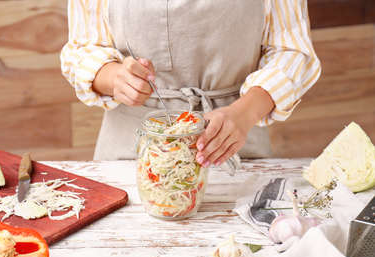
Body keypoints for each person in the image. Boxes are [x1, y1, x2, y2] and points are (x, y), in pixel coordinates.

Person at [61, 0, 321, 167]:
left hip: (234, 147)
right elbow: (82, 49)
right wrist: (114, 76)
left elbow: (292, 51)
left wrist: (243, 114)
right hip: (131, 151)